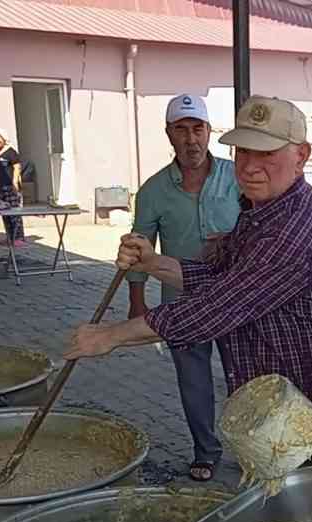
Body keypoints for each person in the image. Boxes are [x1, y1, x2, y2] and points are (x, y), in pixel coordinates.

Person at [64, 96, 312, 466]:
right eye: (242, 152)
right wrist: (153, 261)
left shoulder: (294, 231)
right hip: (273, 417)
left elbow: (217, 308)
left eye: (266, 153)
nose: (249, 167)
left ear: (301, 155)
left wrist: (111, 336)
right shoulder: (261, 210)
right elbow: (219, 275)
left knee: (306, 520)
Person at [127, 94, 241, 481]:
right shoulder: (154, 190)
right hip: (182, 300)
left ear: (210, 132)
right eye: (182, 130)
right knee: (193, 382)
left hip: (236, 299)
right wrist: (137, 301)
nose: (191, 139)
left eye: (198, 129)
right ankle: (205, 451)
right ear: (169, 135)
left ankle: (251, 449)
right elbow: (138, 249)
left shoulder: (237, 176)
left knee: (246, 377)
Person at [0, 128, 26, 247]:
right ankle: (9, 237)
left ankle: (19, 238)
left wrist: (15, 183)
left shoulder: (11, 152)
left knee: (14, 212)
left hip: (10, 187)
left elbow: (17, 168)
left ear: (3, 138)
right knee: (4, 212)